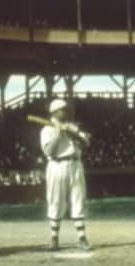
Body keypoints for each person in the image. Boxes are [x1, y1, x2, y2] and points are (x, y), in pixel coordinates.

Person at [40, 99, 91, 251]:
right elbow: (49, 151)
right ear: (54, 112)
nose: (67, 112)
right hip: (57, 165)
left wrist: (72, 133)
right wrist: (58, 133)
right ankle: (54, 240)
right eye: (63, 109)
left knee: (78, 199)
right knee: (56, 200)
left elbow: (86, 144)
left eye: (67, 109)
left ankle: (82, 239)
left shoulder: (73, 126)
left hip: (75, 164)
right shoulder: (46, 130)